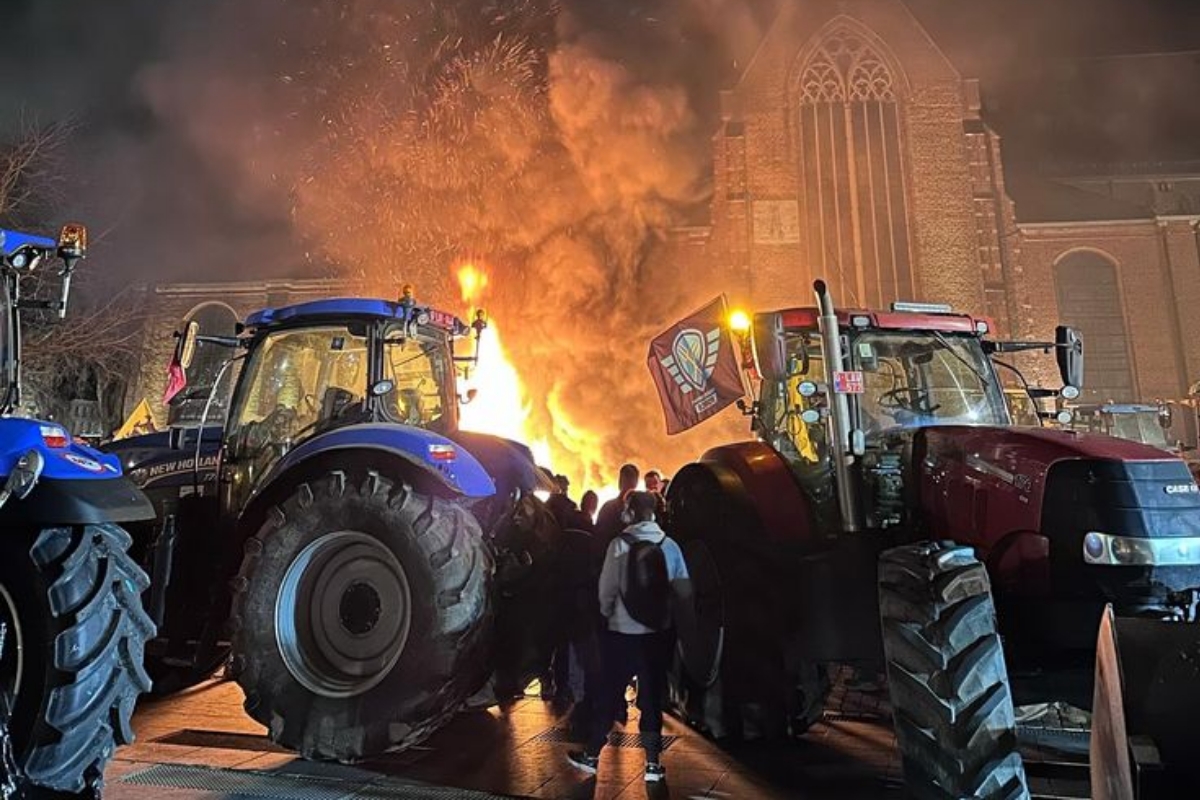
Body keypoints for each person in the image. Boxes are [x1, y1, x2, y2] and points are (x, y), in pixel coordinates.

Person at [568, 492, 691, 784]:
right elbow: (684, 590)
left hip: (621, 634)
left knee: (609, 694)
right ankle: (653, 764)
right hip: (657, 635)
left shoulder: (619, 545)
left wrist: (607, 615)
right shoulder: (669, 545)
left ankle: (592, 756)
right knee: (652, 699)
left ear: (630, 513)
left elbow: (606, 590)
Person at [593, 463, 639, 564]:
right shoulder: (640, 510)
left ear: (619, 482)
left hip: (609, 561)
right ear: (636, 483)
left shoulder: (608, 507)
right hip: (631, 564)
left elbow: (598, 538)